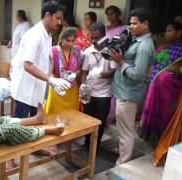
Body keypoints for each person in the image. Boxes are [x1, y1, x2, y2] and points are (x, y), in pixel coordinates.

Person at [10, 0, 69, 169]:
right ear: (47, 15)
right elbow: (27, 65)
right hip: (24, 88)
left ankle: (33, 149)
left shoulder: (48, 34)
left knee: (35, 120)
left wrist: (51, 80)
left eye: (61, 19)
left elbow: (43, 62)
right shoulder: (34, 34)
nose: (60, 23)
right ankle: (9, 159)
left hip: (37, 86)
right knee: (19, 123)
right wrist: (50, 79)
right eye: (57, 18)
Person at [110, 8, 155, 165]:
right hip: (124, 90)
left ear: (145, 24)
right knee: (123, 127)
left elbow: (137, 75)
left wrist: (121, 61)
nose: (130, 26)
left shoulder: (144, 46)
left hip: (128, 93)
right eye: (130, 23)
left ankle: (123, 162)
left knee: (126, 131)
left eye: (134, 24)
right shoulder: (137, 39)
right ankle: (123, 151)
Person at [138, 22, 182, 145]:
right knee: (153, 110)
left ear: (179, 33)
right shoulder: (162, 47)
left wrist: (168, 73)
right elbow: (153, 64)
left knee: (166, 114)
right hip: (154, 85)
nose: (167, 33)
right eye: (166, 30)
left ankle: (165, 139)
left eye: (170, 30)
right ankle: (151, 137)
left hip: (170, 90)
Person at [80, 23, 117, 150]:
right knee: (88, 120)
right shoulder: (87, 52)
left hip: (104, 93)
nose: (95, 41)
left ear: (104, 36)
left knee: (100, 122)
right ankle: (87, 143)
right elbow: (84, 71)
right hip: (89, 92)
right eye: (92, 38)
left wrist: (99, 74)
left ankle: (95, 146)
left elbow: (113, 72)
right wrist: (83, 85)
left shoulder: (111, 51)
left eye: (98, 37)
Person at [44, 27, 83, 116]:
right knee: (54, 116)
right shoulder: (53, 51)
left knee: (72, 116)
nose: (71, 43)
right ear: (61, 39)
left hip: (72, 89)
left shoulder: (77, 50)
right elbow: (50, 72)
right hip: (57, 89)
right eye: (68, 40)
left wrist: (74, 74)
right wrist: (55, 84)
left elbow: (79, 68)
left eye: (73, 41)